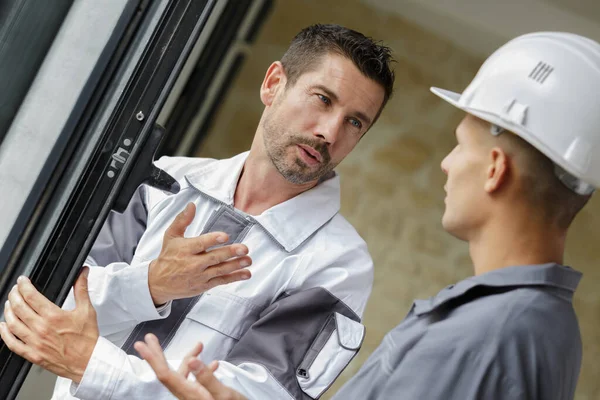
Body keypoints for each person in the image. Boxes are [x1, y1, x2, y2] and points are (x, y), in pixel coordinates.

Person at [129, 31, 599, 400]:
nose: (446, 163)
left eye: (459, 146)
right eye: (323, 99)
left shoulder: (485, 336)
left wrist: (94, 357)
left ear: (495, 169)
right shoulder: (533, 327)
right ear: (273, 85)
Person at [0, 24, 395, 400]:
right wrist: (151, 285)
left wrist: (93, 365)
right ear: (273, 84)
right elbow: (46, 306)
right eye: (323, 99)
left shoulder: (339, 264)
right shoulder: (161, 182)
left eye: (354, 122)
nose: (330, 132)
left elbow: (251, 395)